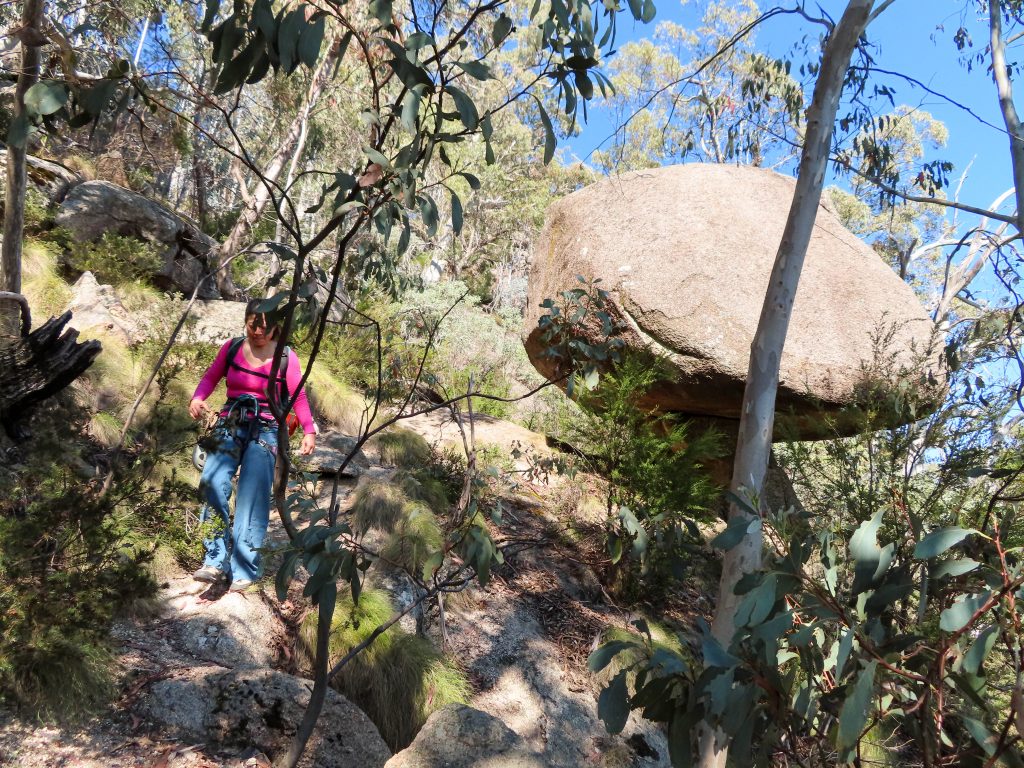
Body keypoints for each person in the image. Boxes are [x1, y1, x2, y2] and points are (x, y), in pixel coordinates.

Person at [188, 300, 316, 590]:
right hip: (231, 421)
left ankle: (244, 567)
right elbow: (211, 376)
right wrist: (197, 397)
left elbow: (298, 396)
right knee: (212, 481)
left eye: (264, 325)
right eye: (252, 323)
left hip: (267, 429)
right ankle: (214, 559)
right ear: (244, 321)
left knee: (251, 495)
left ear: (275, 328)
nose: (257, 330)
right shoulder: (232, 347)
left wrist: (308, 429)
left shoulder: (286, 357)